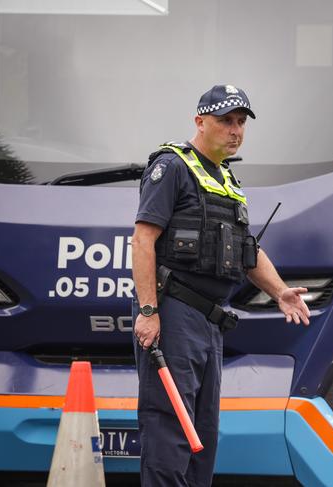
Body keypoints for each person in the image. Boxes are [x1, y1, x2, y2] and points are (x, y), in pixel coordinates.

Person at [131, 84, 310, 486]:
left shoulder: (227, 179)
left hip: (209, 322)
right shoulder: (172, 166)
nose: (235, 130)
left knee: (203, 435)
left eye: (241, 122)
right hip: (173, 312)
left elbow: (248, 250)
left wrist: (279, 290)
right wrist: (148, 311)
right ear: (200, 121)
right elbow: (143, 240)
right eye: (225, 121)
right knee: (170, 430)